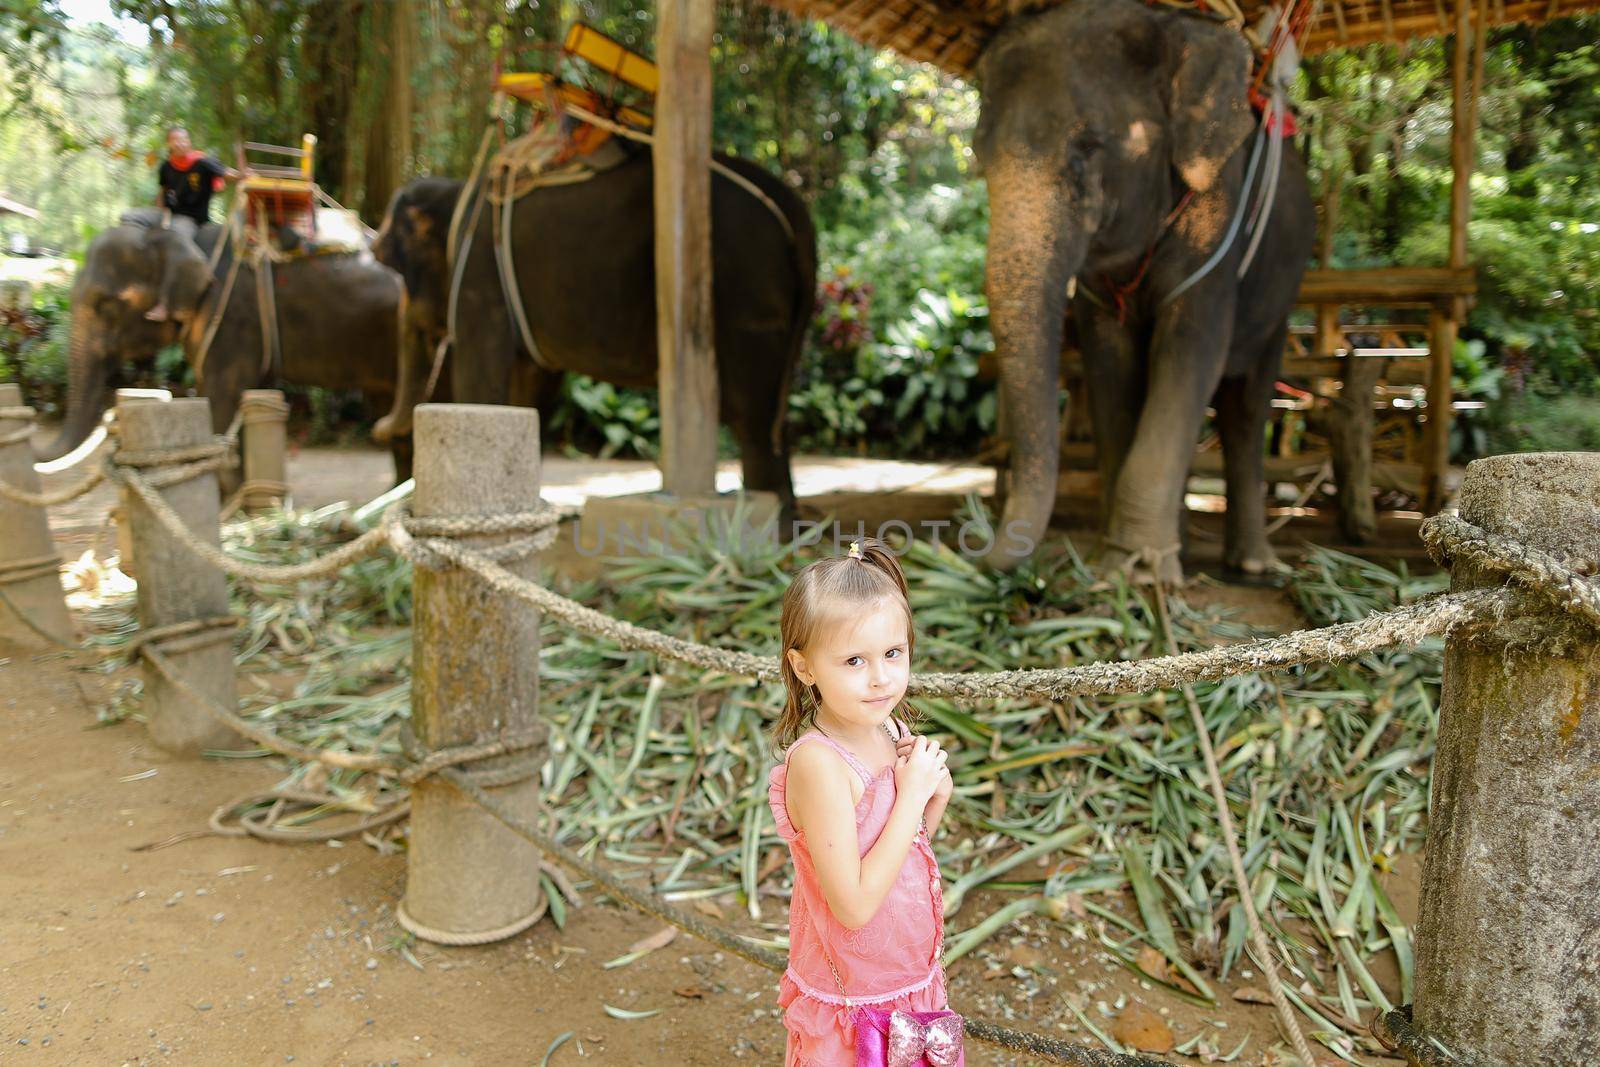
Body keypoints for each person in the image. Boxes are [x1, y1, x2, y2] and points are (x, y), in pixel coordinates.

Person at [767, 536, 956, 1064]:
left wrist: (933, 798)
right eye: (854, 660)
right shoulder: (820, 765)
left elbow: (900, 862)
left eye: (893, 653)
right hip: (855, 998)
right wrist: (912, 798)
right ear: (804, 667)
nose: (881, 678)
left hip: (908, 980)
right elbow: (852, 906)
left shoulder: (887, 728)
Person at [156, 125, 243, 229]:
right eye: (175, 140)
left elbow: (227, 173)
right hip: (173, 216)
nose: (180, 144)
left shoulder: (202, 162)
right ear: (169, 143)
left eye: (184, 140)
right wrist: (159, 215)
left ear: (189, 142)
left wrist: (242, 176)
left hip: (196, 219)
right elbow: (162, 191)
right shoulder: (165, 167)